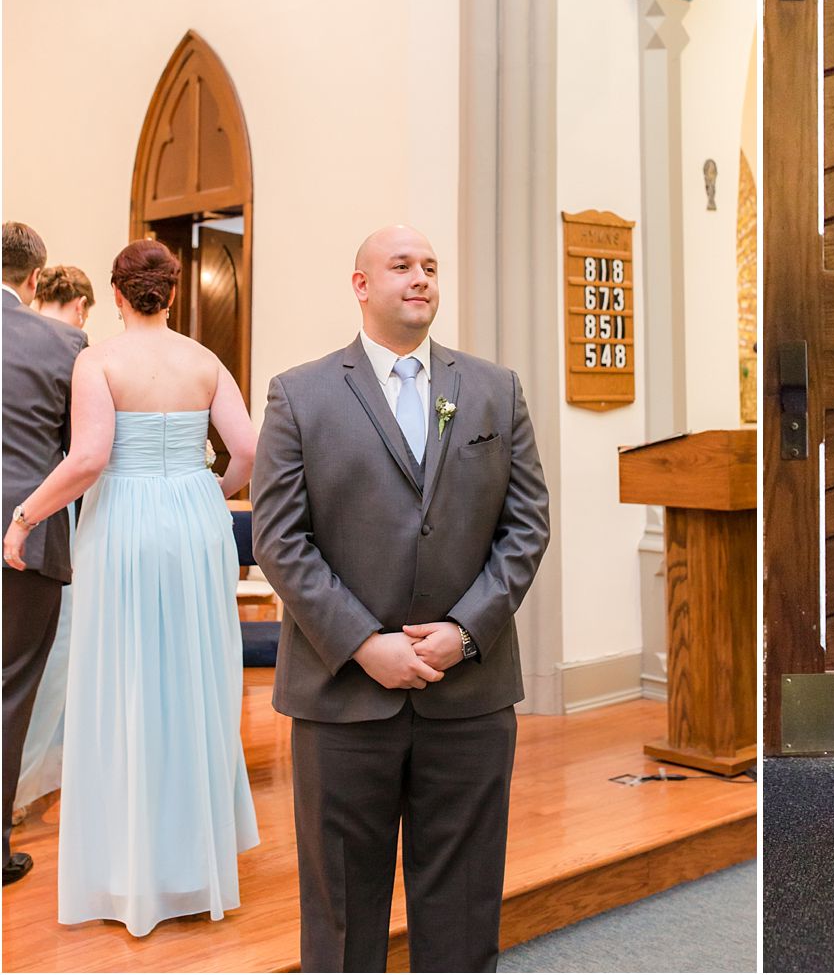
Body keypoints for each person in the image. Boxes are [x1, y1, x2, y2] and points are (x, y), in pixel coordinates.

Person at [252, 225, 550, 972]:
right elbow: (280, 540)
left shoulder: (493, 388)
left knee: (463, 901)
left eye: (430, 267)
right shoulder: (300, 394)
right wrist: (362, 642)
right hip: (344, 696)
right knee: (343, 910)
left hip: (468, 693)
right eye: (401, 265)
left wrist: (466, 629)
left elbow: (527, 524)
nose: (421, 277)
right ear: (360, 285)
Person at [3, 238, 259, 934]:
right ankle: (193, 859)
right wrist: (209, 490)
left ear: (116, 294)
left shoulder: (100, 360)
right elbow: (248, 452)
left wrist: (25, 515)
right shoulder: (204, 362)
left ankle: (134, 864)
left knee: (129, 682)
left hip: (126, 520)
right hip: (195, 521)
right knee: (192, 680)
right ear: (172, 295)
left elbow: (88, 458)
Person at [1, 223, 87, 887]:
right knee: (10, 688)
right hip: (24, 538)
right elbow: (78, 452)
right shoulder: (63, 343)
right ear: (35, 279)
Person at [14, 264, 97, 812]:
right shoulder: (71, 346)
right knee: (29, 670)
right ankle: (15, 798)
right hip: (38, 519)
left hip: (26, 515)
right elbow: (81, 450)